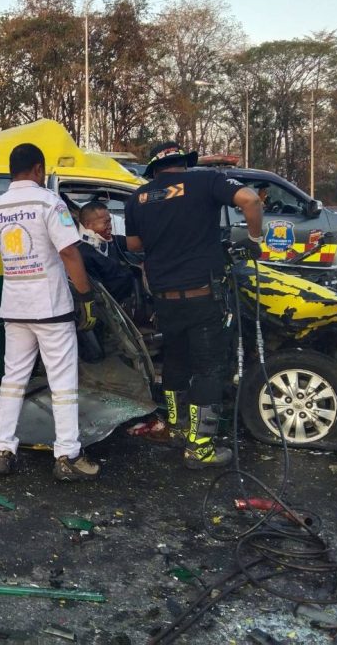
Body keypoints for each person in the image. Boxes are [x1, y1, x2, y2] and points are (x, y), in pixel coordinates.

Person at [124, 140, 263, 469]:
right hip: (202, 297)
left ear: (154, 170)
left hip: (164, 300)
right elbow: (251, 200)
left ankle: (177, 428)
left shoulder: (137, 198)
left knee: (175, 361)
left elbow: (133, 244)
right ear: (184, 163)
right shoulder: (206, 180)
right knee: (208, 369)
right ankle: (200, 448)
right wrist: (254, 240)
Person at [0, 143, 101, 482]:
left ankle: (2, 450)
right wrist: (85, 296)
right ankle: (67, 455)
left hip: (14, 306)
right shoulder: (48, 202)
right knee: (62, 382)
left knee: (13, 379)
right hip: (50, 306)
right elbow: (69, 252)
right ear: (38, 169)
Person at [76, 203, 135, 303]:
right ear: (88, 225)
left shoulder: (112, 241)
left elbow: (135, 243)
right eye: (106, 222)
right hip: (113, 306)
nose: (110, 226)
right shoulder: (82, 254)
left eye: (110, 222)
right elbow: (99, 292)